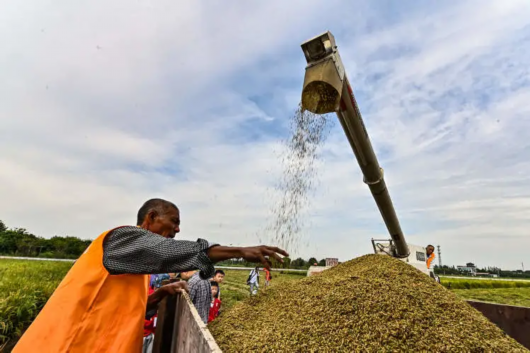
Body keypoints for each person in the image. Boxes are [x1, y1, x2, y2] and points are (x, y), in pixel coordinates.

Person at [13, 198, 288, 353]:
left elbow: (121, 312)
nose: (178, 229)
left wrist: (159, 295)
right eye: (174, 221)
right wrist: (238, 250)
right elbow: (167, 251)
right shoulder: (121, 238)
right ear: (152, 217)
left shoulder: (134, 264)